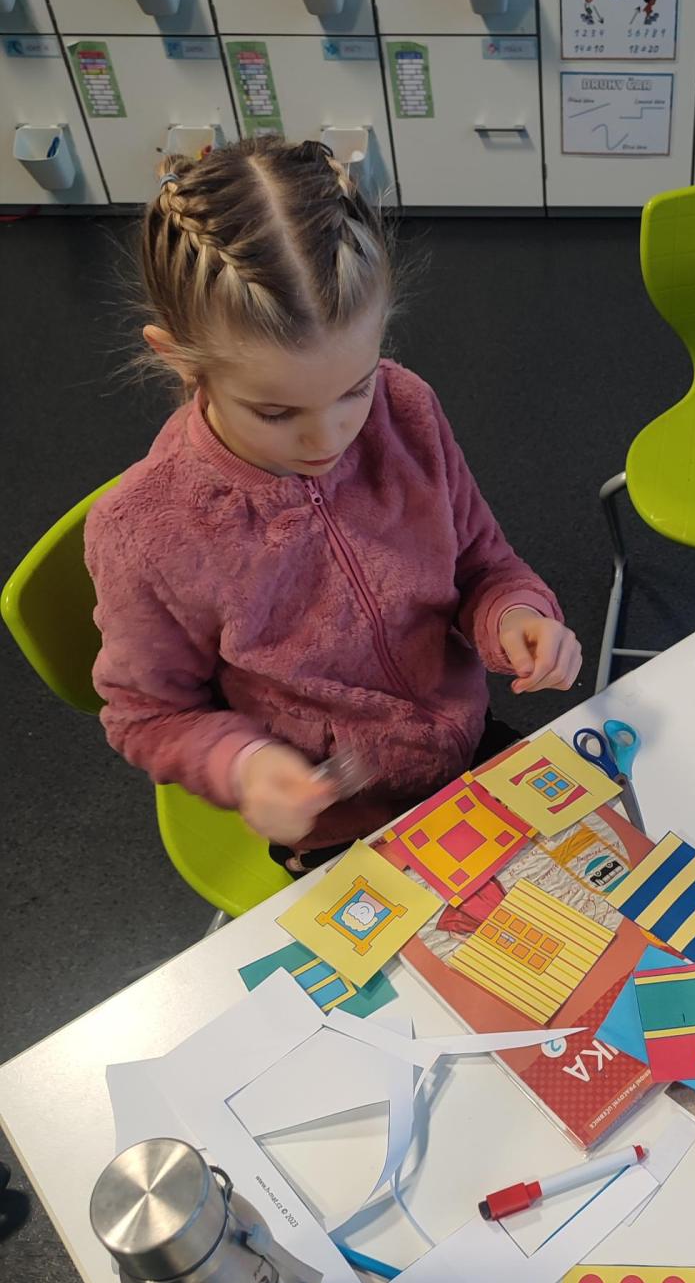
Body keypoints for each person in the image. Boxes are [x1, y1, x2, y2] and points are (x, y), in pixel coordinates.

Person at [86, 137, 582, 873]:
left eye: (355, 388)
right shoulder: (146, 532)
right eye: (276, 412)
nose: (329, 438)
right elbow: (148, 715)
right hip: (337, 820)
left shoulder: (406, 408)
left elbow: (484, 564)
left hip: (466, 745)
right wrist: (246, 764)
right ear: (178, 358)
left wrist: (517, 616)